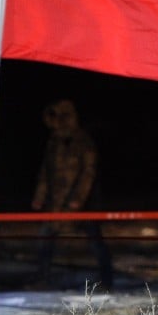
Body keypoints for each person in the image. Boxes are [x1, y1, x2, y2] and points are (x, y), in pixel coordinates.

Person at [31, 99, 114, 291]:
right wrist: (40, 196)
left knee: (95, 241)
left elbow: (89, 172)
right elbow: (45, 172)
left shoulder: (84, 141)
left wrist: (78, 199)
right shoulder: (54, 142)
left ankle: (107, 280)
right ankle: (42, 277)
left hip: (82, 206)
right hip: (56, 203)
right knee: (45, 239)